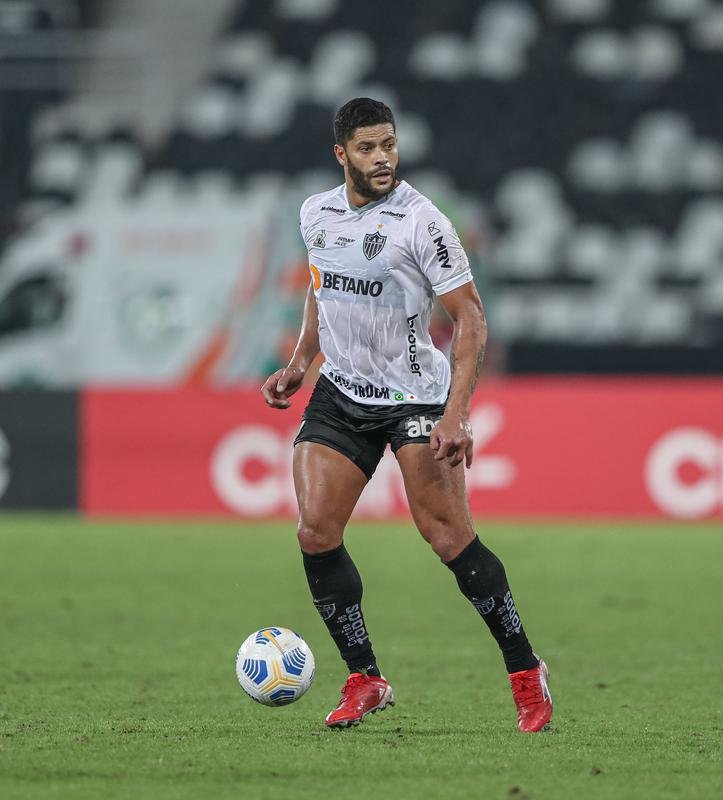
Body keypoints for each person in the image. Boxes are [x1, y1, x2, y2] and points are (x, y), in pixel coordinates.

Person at [261, 97, 552, 732]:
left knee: (448, 538)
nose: (382, 158)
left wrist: (457, 414)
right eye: (367, 148)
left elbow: (471, 319)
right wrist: (300, 361)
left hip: (414, 396)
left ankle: (526, 671)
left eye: (388, 145)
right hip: (342, 392)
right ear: (342, 154)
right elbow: (321, 287)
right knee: (315, 533)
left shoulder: (423, 222)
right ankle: (365, 677)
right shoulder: (316, 213)